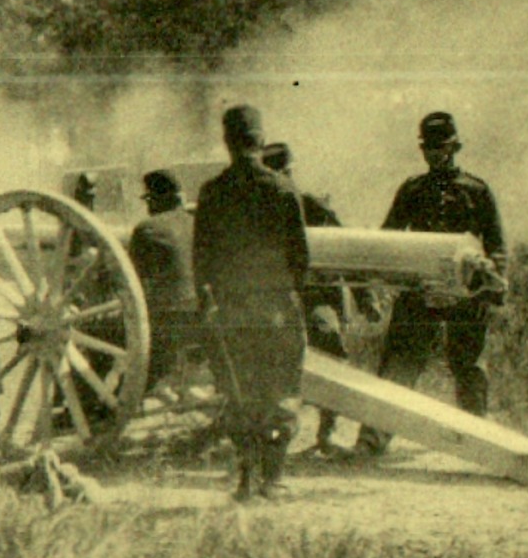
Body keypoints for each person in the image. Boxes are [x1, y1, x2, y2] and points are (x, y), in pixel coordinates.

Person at [354, 112, 507, 456]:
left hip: (466, 291)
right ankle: (372, 440)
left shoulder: (476, 191)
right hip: (420, 290)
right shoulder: (412, 190)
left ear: (456, 147)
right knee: (399, 362)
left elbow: (496, 243)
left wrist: (494, 282)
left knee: (469, 365)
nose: (435, 155)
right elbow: (389, 236)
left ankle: (479, 441)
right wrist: (382, 276)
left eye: (442, 147)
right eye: (428, 148)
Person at [193, 105, 310, 501]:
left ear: (227, 142)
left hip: (232, 308)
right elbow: (301, 257)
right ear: (260, 140)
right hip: (275, 307)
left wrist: (210, 301)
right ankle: (273, 479)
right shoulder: (282, 189)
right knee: (279, 392)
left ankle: (245, 481)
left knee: (240, 392)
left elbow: (201, 257)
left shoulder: (211, 192)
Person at [261, 142, 379, 454]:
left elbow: (346, 248)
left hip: (318, 293)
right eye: (272, 173)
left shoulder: (310, 204)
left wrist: (365, 297)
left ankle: (326, 433)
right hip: (277, 294)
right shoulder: (259, 208)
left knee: (328, 343)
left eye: (283, 173)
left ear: (290, 171)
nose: (279, 179)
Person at [128, 170, 198, 395]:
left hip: (165, 325)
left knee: (95, 329)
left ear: (154, 201)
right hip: (203, 318)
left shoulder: (147, 229)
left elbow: (132, 283)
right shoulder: (199, 224)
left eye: (149, 201)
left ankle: (91, 407)